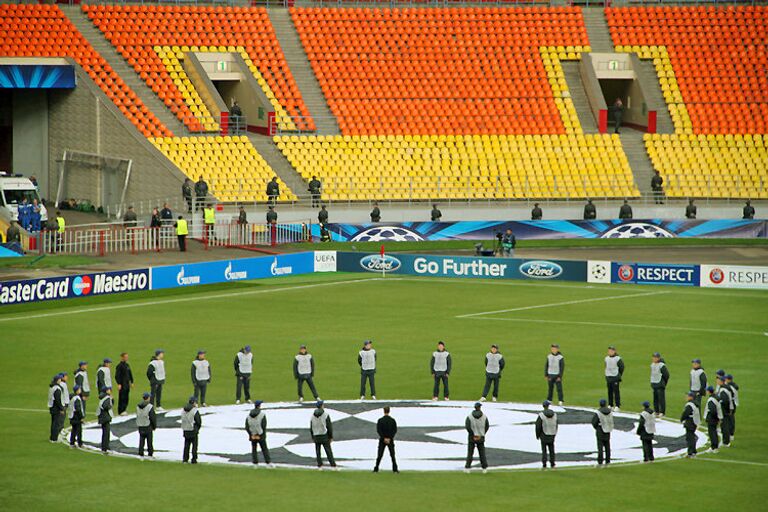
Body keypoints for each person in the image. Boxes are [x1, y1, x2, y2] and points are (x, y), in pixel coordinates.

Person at [464, 402, 489, 473]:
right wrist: (482, 434)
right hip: (481, 437)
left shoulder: (469, 417)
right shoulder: (484, 417)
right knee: (482, 453)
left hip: (472, 437)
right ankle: (484, 468)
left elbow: (468, 427)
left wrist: (473, 435)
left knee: (470, 453)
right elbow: (487, 426)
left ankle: (468, 467)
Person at [310, 401, 336, 469]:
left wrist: (312, 436)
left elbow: (311, 427)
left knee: (318, 451)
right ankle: (333, 465)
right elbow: (329, 426)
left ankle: (319, 465)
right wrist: (331, 436)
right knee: (328, 451)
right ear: (322, 406)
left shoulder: (312, 416)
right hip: (324, 435)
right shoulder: (325, 415)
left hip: (316, 435)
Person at [245, 401, 271, 465]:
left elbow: (247, 426)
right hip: (260, 434)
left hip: (253, 435)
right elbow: (264, 426)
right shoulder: (262, 415)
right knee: (264, 449)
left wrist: (251, 434)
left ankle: (255, 463)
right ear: (259, 406)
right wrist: (261, 435)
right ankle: (268, 462)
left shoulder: (248, 415)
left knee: (254, 449)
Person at [373, 406, 398, 473]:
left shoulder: (380, 420)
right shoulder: (392, 420)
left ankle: (376, 468)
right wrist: (390, 438)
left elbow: (379, 430)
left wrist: (383, 438)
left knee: (379, 455)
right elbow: (394, 430)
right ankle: (395, 469)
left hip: (382, 440)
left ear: (384, 411)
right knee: (392, 455)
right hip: (390, 440)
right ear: (389, 411)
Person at [535, 400, 557, 469]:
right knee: (552, 450)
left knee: (544, 450)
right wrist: (554, 433)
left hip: (544, 434)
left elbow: (538, 426)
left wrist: (538, 435)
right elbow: (556, 425)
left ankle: (544, 464)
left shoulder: (541, 415)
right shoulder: (555, 414)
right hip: (552, 434)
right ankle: (552, 463)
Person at [592, 399, 613, 465]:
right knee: (607, 446)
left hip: (600, 429)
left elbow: (594, 422)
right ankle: (608, 460)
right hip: (608, 430)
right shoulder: (610, 412)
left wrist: (597, 428)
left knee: (600, 447)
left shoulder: (598, 412)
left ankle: (600, 461)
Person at [181, 396, 202, 464]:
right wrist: (197, 428)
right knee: (194, 446)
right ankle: (194, 459)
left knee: (186, 445)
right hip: (193, 429)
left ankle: (185, 459)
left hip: (185, 429)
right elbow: (198, 421)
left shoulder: (183, 410)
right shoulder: (194, 410)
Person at [136, 392, 157, 458]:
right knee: (149, 441)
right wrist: (154, 426)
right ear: (148, 398)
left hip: (140, 424)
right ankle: (150, 453)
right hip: (147, 425)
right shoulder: (149, 407)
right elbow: (152, 417)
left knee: (141, 440)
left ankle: (140, 452)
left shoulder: (138, 406)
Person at [604, 345, 625, 411]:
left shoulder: (618, 359)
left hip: (615, 377)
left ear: (614, 351)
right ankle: (610, 404)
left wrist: (619, 375)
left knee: (616, 392)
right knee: (609, 391)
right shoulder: (606, 358)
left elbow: (622, 367)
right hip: (609, 376)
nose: (610, 352)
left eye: (612, 351)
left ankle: (617, 405)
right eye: (609, 350)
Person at [650, 352, 669, 417]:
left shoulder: (662, 365)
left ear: (658, 358)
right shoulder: (652, 365)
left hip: (660, 383)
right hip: (654, 383)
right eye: (653, 357)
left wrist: (663, 383)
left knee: (661, 399)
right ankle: (656, 411)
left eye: (656, 357)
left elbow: (666, 375)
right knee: (655, 398)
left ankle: (662, 412)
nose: (654, 359)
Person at [681, 392, 700, 458]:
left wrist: (682, 419)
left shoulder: (690, 405)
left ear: (691, 397)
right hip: (694, 422)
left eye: (688, 396)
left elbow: (686, 413)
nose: (686, 397)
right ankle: (694, 451)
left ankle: (690, 453)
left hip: (690, 422)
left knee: (689, 438)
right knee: (691, 437)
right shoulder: (695, 404)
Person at [716, 374, 733, 447]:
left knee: (724, 425)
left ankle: (726, 442)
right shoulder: (725, 388)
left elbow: (725, 401)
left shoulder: (723, 390)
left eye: (718, 380)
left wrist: (723, 409)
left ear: (722, 381)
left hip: (724, 410)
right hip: (727, 409)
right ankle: (726, 440)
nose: (717, 381)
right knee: (725, 424)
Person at [704, 386, 722, 453]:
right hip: (716, 419)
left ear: (709, 391)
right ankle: (715, 446)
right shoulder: (716, 397)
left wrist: (712, 417)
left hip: (712, 419)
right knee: (714, 432)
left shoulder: (711, 400)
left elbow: (713, 410)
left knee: (712, 433)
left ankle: (714, 447)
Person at [48, 374, 65, 442]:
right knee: (56, 423)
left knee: (53, 423)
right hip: (56, 408)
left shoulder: (52, 387)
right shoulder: (57, 389)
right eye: (60, 379)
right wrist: (61, 408)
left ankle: (52, 437)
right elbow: (58, 400)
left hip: (52, 406)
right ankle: (54, 438)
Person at [97, 387, 114, 453]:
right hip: (105, 417)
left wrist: (112, 400)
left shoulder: (103, 397)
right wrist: (110, 403)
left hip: (103, 417)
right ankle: (105, 447)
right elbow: (106, 406)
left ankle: (105, 446)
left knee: (105, 433)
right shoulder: (106, 398)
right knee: (106, 433)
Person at [724, 374, 739, 438]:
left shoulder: (731, 387)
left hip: (731, 403)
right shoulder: (733, 386)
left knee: (731, 418)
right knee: (730, 417)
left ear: (728, 379)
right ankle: (729, 431)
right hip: (733, 403)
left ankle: (731, 433)